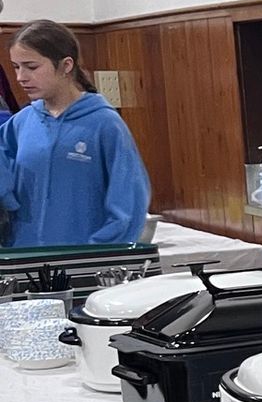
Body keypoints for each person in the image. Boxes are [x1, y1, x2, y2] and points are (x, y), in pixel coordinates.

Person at [0, 20, 150, 246]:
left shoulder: (104, 124)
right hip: (25, 261)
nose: (21, 77)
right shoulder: (22, 122)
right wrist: (8, 202)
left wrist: (98, 254)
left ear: (66, 65)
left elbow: (129, 203)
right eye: (16, 67)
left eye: (31, 67)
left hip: (83, 265)